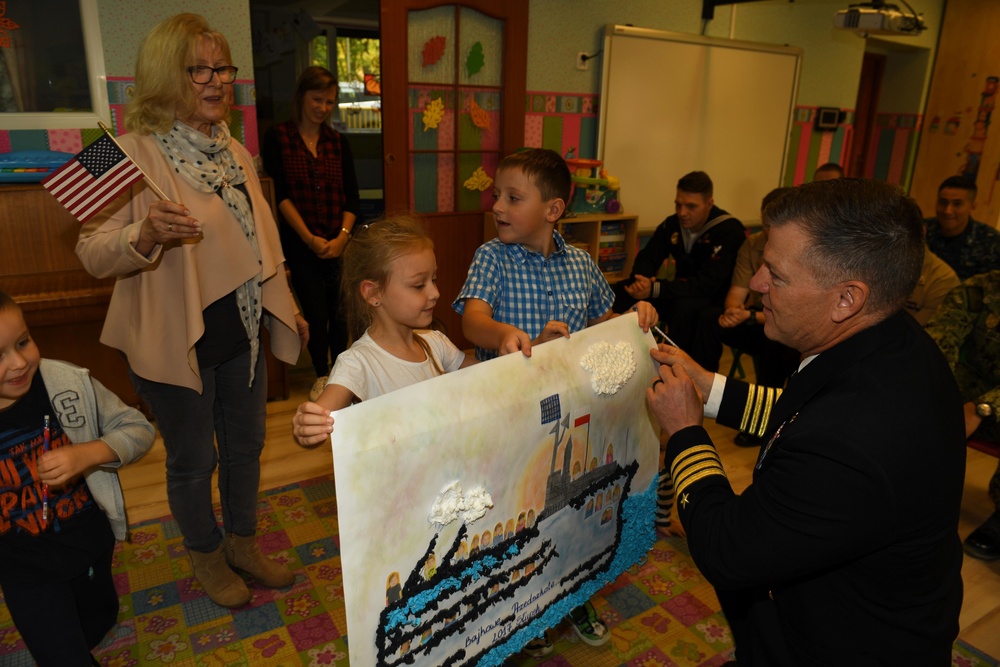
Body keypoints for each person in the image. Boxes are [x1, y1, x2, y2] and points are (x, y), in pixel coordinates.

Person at [647, 178, 965, 665]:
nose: (755, 285)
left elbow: (727, 550)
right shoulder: (885, 337)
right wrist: (710, 389)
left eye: (776, 274)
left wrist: (686, 432)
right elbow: (798, 412)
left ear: (846, 299)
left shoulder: (853, 439)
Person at [75, 14, 305, 609]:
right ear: (162, 76)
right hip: (172, 341)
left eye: (222, 67)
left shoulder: (233, 148)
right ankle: (205, 555)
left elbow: (259, 242)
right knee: (192, 459)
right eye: (197, 68)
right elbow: (88, 250)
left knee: (247, 447)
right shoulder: (119, 151)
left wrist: (287, 303)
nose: (215, 80)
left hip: (241, 333)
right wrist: (143, 234)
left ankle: (242, 543)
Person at [453, 147, 658, 657]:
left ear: (553, 210)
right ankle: (519, 611)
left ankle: (571, 597)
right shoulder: (491, 257)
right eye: (496, 194)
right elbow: (471, 320)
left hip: (571, 416)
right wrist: (506, 335)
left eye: (513, 197)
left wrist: (639, 316)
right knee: (514, 512)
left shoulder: (583, 265)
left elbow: (606, 324)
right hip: (509, 413)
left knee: (568, 511)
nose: (498, 205)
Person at [0, 291, 155, 665]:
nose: (19, 362)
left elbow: (138, 429)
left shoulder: (66, 382)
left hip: (89, 543)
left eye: (22, 342)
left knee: (95, 624)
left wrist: (90, 453)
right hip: (23, 569)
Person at [292, 214, 476, 448]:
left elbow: (491, 376)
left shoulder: (436, 343)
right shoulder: (357, 363)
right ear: (374, 294)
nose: (435, 293)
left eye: (434, 279)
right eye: (419, 285)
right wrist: (307, 426)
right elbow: (320, 418)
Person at [261, 66, 360, 402]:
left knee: (341, 313)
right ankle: (322, 374)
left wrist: (342, 238)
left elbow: (352, 197)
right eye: (317, 99)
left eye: (330, 102)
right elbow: (281, 196)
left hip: (338, 242)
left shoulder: (337, 142)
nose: (323, 107)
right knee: (316, 314)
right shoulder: (279, 137)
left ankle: (341, 374)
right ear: (302, 97)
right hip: (301, 244)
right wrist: (309, 238)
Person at [613, 171, 745, 351]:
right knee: (620, 291)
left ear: (709, 203)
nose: (682, 213)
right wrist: (640, 280)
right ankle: (620, 353)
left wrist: (656, 289)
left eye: (691, 206)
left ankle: (678, 367)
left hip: (710, 299)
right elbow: (649, 255)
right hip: (677, 292)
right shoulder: (673, 223)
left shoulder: (729, 230)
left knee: (685, 309)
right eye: (678, 205)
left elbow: (707, 284)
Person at [688, 188, 799, 401]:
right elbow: (736, 293)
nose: (767, 231)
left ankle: (766, 413)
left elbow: (791, 314)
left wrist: (749, 316)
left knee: (776, 341)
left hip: (783, 323)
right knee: (709, 318)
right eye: (765, 224)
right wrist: (734, 311)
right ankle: (701, 389)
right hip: (756, 317)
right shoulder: (753, 243)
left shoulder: (798, 251)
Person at [926, 270, 1000, 560]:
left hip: (987, 407)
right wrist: (932, 388)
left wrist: (984, 407)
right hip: (960, 398)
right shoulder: (982, 289)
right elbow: (941, 337)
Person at [925, 175, 1000, 281]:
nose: (948, 211)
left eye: (957, 204)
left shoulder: (991, 242)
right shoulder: (919, 231)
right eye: (943, 202)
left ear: (972, 206)